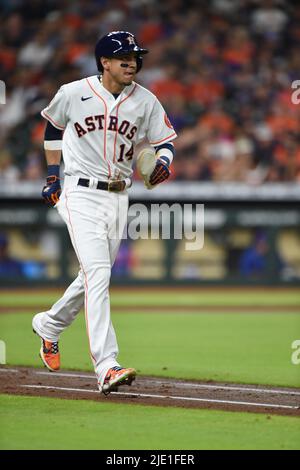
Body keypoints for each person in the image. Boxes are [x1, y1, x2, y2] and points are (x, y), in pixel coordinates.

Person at [32, 31, 177, 395]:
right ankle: (106, 365)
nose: (132, 63)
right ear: (105, 62)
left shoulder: (145, 100)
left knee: (92, 276)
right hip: (79, 192)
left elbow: (166, 141)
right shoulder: (73, 92)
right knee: (98, 273)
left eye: (135, 57)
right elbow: (54, 127)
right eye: (124, 57)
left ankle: (49, 325)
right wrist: (53, 175)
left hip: (119, 196)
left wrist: (163, 161)